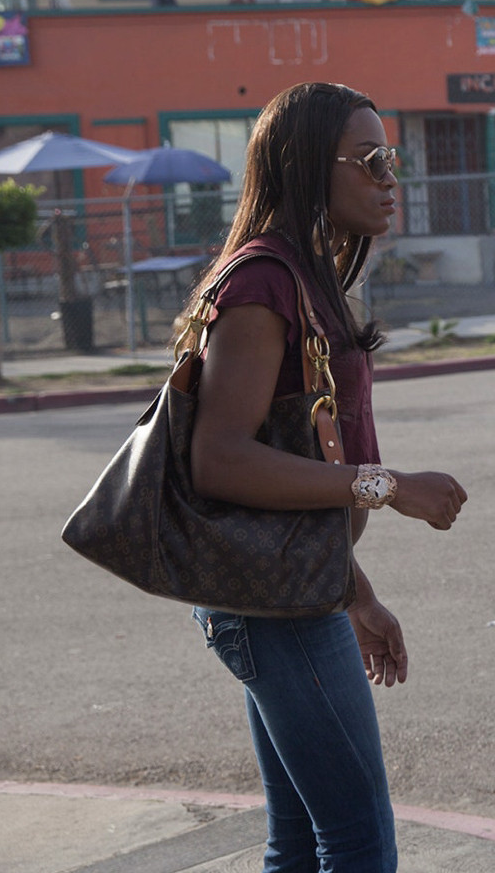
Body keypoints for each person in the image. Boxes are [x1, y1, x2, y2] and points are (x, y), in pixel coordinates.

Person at [185, 82, 468, 872]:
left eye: (392, 159)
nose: (389, 179)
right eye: (371, 160)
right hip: (274, 607)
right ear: (309, 166)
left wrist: (355, 592)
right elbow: (220, 457)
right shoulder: (263, 283)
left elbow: (299, 472)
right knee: (357, 844)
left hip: (294, 589)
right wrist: (389, 485)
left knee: (306, 845)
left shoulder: (303, 279)